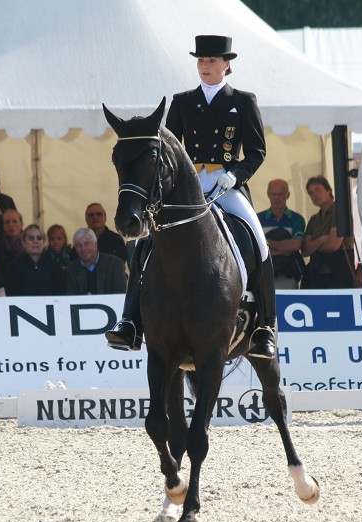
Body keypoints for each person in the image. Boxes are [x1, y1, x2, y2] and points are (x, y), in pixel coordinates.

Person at [106, 34, 277, 358]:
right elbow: (169, 148)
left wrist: (234, 175)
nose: (205, 66)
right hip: (188, 185)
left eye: (211, 61)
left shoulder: (242, 100)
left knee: (258, 240)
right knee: (145, 241)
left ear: (226, 64)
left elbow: (256, 151)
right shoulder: (183, 101)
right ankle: (130, 321)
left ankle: (264, 328)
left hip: (226, 184)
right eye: (201, 61)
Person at [301, 176, 355, 289]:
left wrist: (315, 244)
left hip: (338, 274)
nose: (314, 195)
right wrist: (322, 239)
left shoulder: (340, 211)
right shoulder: (314, 219)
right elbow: (305, 250)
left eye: (317, 190)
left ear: (329, 190)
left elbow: (333, 245)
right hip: (317, 275)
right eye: (311, 193)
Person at [258, 179, 306, 289]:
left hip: (288, 275)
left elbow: (295, 246)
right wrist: (285, 250)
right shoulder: (257, 219)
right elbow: (256, 249)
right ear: (268, 195)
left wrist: (267, 243)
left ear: (287, 195)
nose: (277, 198)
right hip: (264, 275)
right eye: (273, 194)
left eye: (280, 194)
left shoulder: (297, 219)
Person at [4, 225, 64, 296]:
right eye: (31, 238)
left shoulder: (55, 267)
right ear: (23, 242)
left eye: (39, 238)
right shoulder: (13, 267)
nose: (35, 241)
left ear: (44, 242)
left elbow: (60, 296)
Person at [65, 228, 126, 295]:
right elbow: (70, 298)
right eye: (79, 245)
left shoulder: (115, 265)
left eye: (87, 244)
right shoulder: (70, 271)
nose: (83, 249)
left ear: (95, 244)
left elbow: (120, 295)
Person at [0, 208, 25, 292]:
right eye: (7, 222)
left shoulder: (30, 245)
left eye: (14, 221)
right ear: (3, 226)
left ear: (22, 224)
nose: (11, 225)